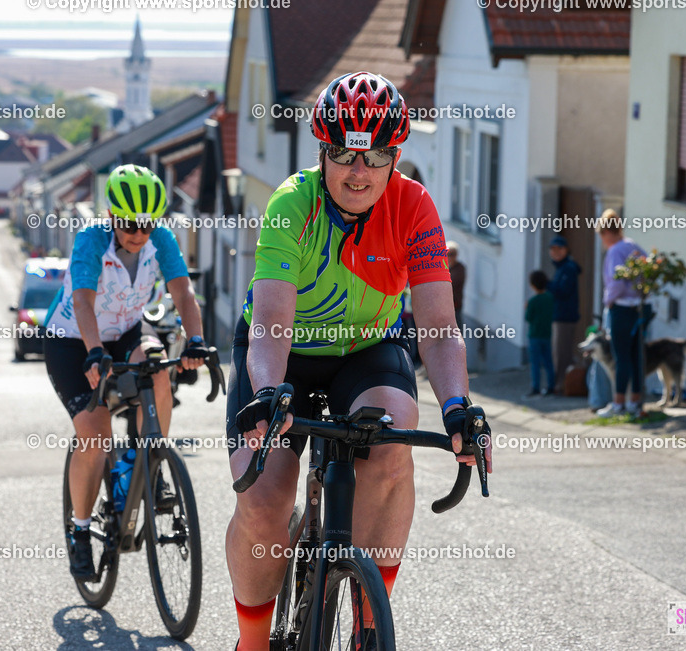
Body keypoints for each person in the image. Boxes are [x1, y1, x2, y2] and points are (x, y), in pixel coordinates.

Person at [224, 72, 491, 651]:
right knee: (266, 502)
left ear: (396, 156)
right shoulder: (292, 202)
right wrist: (267, 392)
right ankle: (250, 640)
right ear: (323, 151)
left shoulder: (414, 206)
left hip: (366, 350)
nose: (358, 170)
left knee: (392, 444)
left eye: (375, 154)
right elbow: (271, 322)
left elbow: (440, 328)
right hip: (283, 353)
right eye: (343, 152)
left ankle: (371, 621)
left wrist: (458, 407)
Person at [43, 164, 207, 581]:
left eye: (147, 225)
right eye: (131, 224)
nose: (139, 233)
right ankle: (80, 531)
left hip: (125, 333)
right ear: (114, 216)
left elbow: (183, 291)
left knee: (156, 365)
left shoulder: (162, 241)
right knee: (96, 435)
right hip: (72, 341)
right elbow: (82, 300)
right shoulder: (92, 240)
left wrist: (196, 341)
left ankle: (151, 460)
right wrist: (94, 351)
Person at [597, 209, 648, 417]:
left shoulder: (615, 250)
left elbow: (616, 281)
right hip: (639, 306)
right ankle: (635, 401)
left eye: (601, 235)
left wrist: (608, 301)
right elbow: (647, 271)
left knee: (621, 356)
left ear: (607, 233)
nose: (602, 240)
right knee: (637, 356)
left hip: (622, 308)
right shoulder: (633, 246)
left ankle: (618, 403)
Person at [546, 236, 581, 394]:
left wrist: (547, 284)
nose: (556, 252)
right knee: (560, 352)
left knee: (561, 354)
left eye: (559, 249)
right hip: (560, 315)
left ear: (566, 250)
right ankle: (563, 384)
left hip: (565, 317)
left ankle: (561, 385)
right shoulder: (562, 268)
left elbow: (563, 291)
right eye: (553, 249)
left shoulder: (568, 268)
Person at [525, 270, 555, 397]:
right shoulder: (550, 298)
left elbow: (528, 318)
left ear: (532, 285)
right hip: (547, 334)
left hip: (534, 335)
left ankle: (536, 387)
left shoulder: (532, 301)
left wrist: (526, 308)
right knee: (548, 361)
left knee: (535, 362)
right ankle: (551, 386)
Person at [447, 241, 466, 330]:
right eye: (448, 254)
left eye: (452, 254)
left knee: (456, 331)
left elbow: (450, 283)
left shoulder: (460, 268)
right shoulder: (446, 267)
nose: (450, 257)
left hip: (455, 306)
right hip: (444, 307)